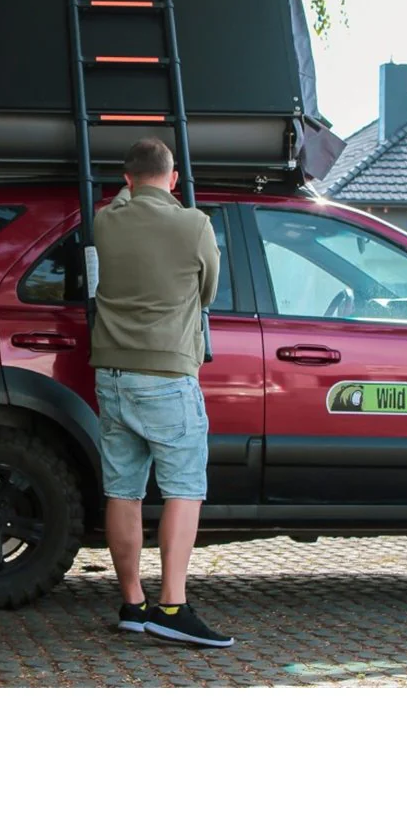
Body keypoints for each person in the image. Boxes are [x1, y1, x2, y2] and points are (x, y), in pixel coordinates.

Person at [90, 137, 234, 648]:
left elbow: (126, 198)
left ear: (126, 179)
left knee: (123, 490)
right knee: (183, 488)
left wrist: (134, 189)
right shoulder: (193, 225)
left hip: (111, 373)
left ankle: (133, 603)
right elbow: (208, 290)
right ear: (173, 180)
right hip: (168, 376)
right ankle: (172, 605)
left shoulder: (106, 221)